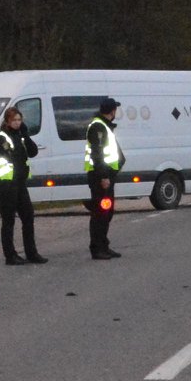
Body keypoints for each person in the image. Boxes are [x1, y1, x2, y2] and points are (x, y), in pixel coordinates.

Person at [0, 106, 47, 265]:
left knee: (28, 217)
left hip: (20, 184)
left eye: (19, 120)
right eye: (14, 120)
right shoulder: (2, 138)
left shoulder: (20, 136)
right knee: (9, 220)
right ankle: (10, 255)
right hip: (7, 184)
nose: (17, 123)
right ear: (7, 121)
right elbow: (9, 158)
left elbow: (33, 152)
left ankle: (32, 252)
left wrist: (26, 134)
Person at [85, 97, 126, 260]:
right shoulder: (98, 127)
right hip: (100, 178)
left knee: (106, 212)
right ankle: (97, 248)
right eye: (115, 109)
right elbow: (97, 153)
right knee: (100, 213)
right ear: (112, 111)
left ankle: (104, 245)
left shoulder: (104, 127)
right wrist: (103, 176)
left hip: (107, 176)